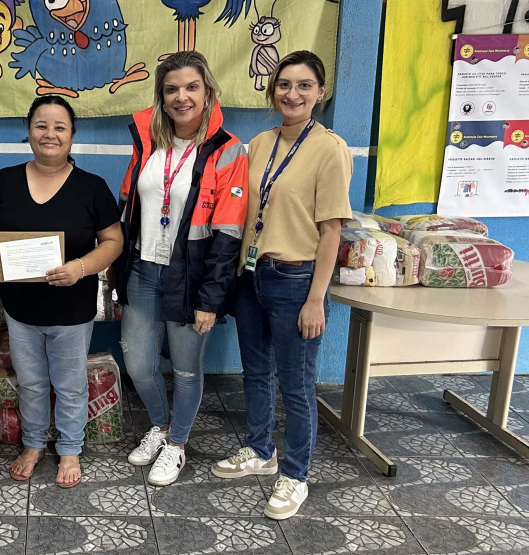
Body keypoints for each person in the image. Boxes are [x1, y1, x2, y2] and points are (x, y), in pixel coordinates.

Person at [211, 50, 352, 520]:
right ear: (272, 91)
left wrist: (317, 298)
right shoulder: (258, 143)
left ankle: (295, 473)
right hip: (251, 277)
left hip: (296, 280)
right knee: (255, 372)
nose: (293, 93)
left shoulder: (329, 148)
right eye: (284, 84)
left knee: (296, 383)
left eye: (304, 85)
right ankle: (260, 450)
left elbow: (332, 229)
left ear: (320, 93)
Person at [0, 96, 123, 488]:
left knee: (69, 383)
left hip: (72, 307)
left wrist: (81, 267)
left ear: (72, 136)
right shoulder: (5, 180)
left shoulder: (92, 188)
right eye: (41, 125)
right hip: (20, 308)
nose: (50, 134)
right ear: (29, 132)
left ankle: (69, 448)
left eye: (60, 127)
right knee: (30, 382)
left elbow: (114, 241)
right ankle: (33, 444)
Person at [115, 51, 248, 487]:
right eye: (171, 89)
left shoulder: (228, 151)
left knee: (187, 368)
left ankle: (178, 444)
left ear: (207, 91)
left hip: (190, 277)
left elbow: (228, 235)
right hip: (143, 270)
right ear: (162, 97)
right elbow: (129, 209)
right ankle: (160, 425)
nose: (181, 97)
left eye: (191, 87)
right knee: (137, 363)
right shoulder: (147, 143)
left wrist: (211, 299)